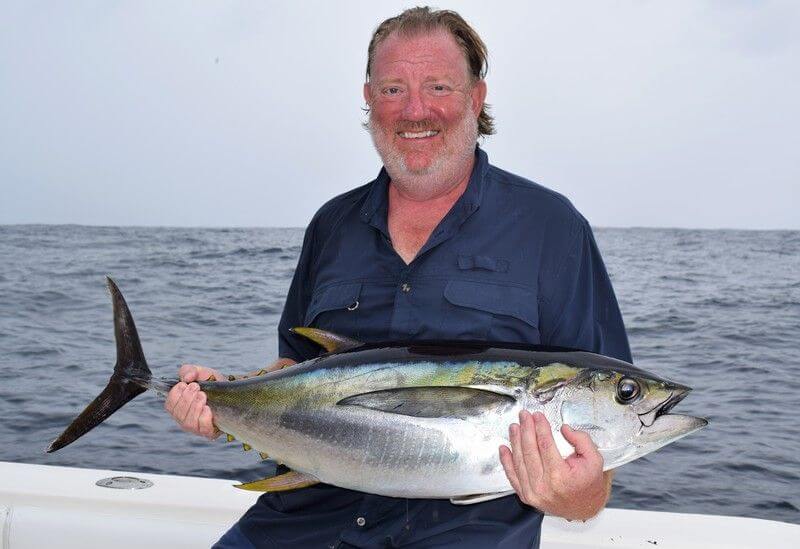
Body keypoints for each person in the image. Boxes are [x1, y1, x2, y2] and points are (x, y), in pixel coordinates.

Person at [166, 7, 631, 548]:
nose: (415, 110)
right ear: (368, 98)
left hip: (462, 534)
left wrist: (573, 494)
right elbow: (296, 369)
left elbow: (593, 478)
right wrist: (222, 402)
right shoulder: (331, 225)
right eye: (392, 89)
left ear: (476, 99)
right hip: (301, 524)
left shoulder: (552, 228)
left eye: (438, 86)